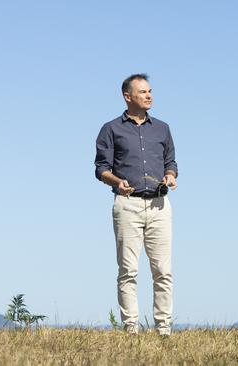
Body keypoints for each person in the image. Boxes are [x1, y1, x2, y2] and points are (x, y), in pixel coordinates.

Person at [94, 73, 178, 337]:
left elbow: (171, 162)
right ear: (127, 96)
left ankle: (163, 328)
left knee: (163, 270)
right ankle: (131, 328)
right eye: (143, 92)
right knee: (128, 270)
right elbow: (100, 168)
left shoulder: (162, 128)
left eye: (150, 91)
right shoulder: (111, 129)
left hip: (159, 205)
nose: (149, 95)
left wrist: (170, 176)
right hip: (127, 205)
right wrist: (117, 182)